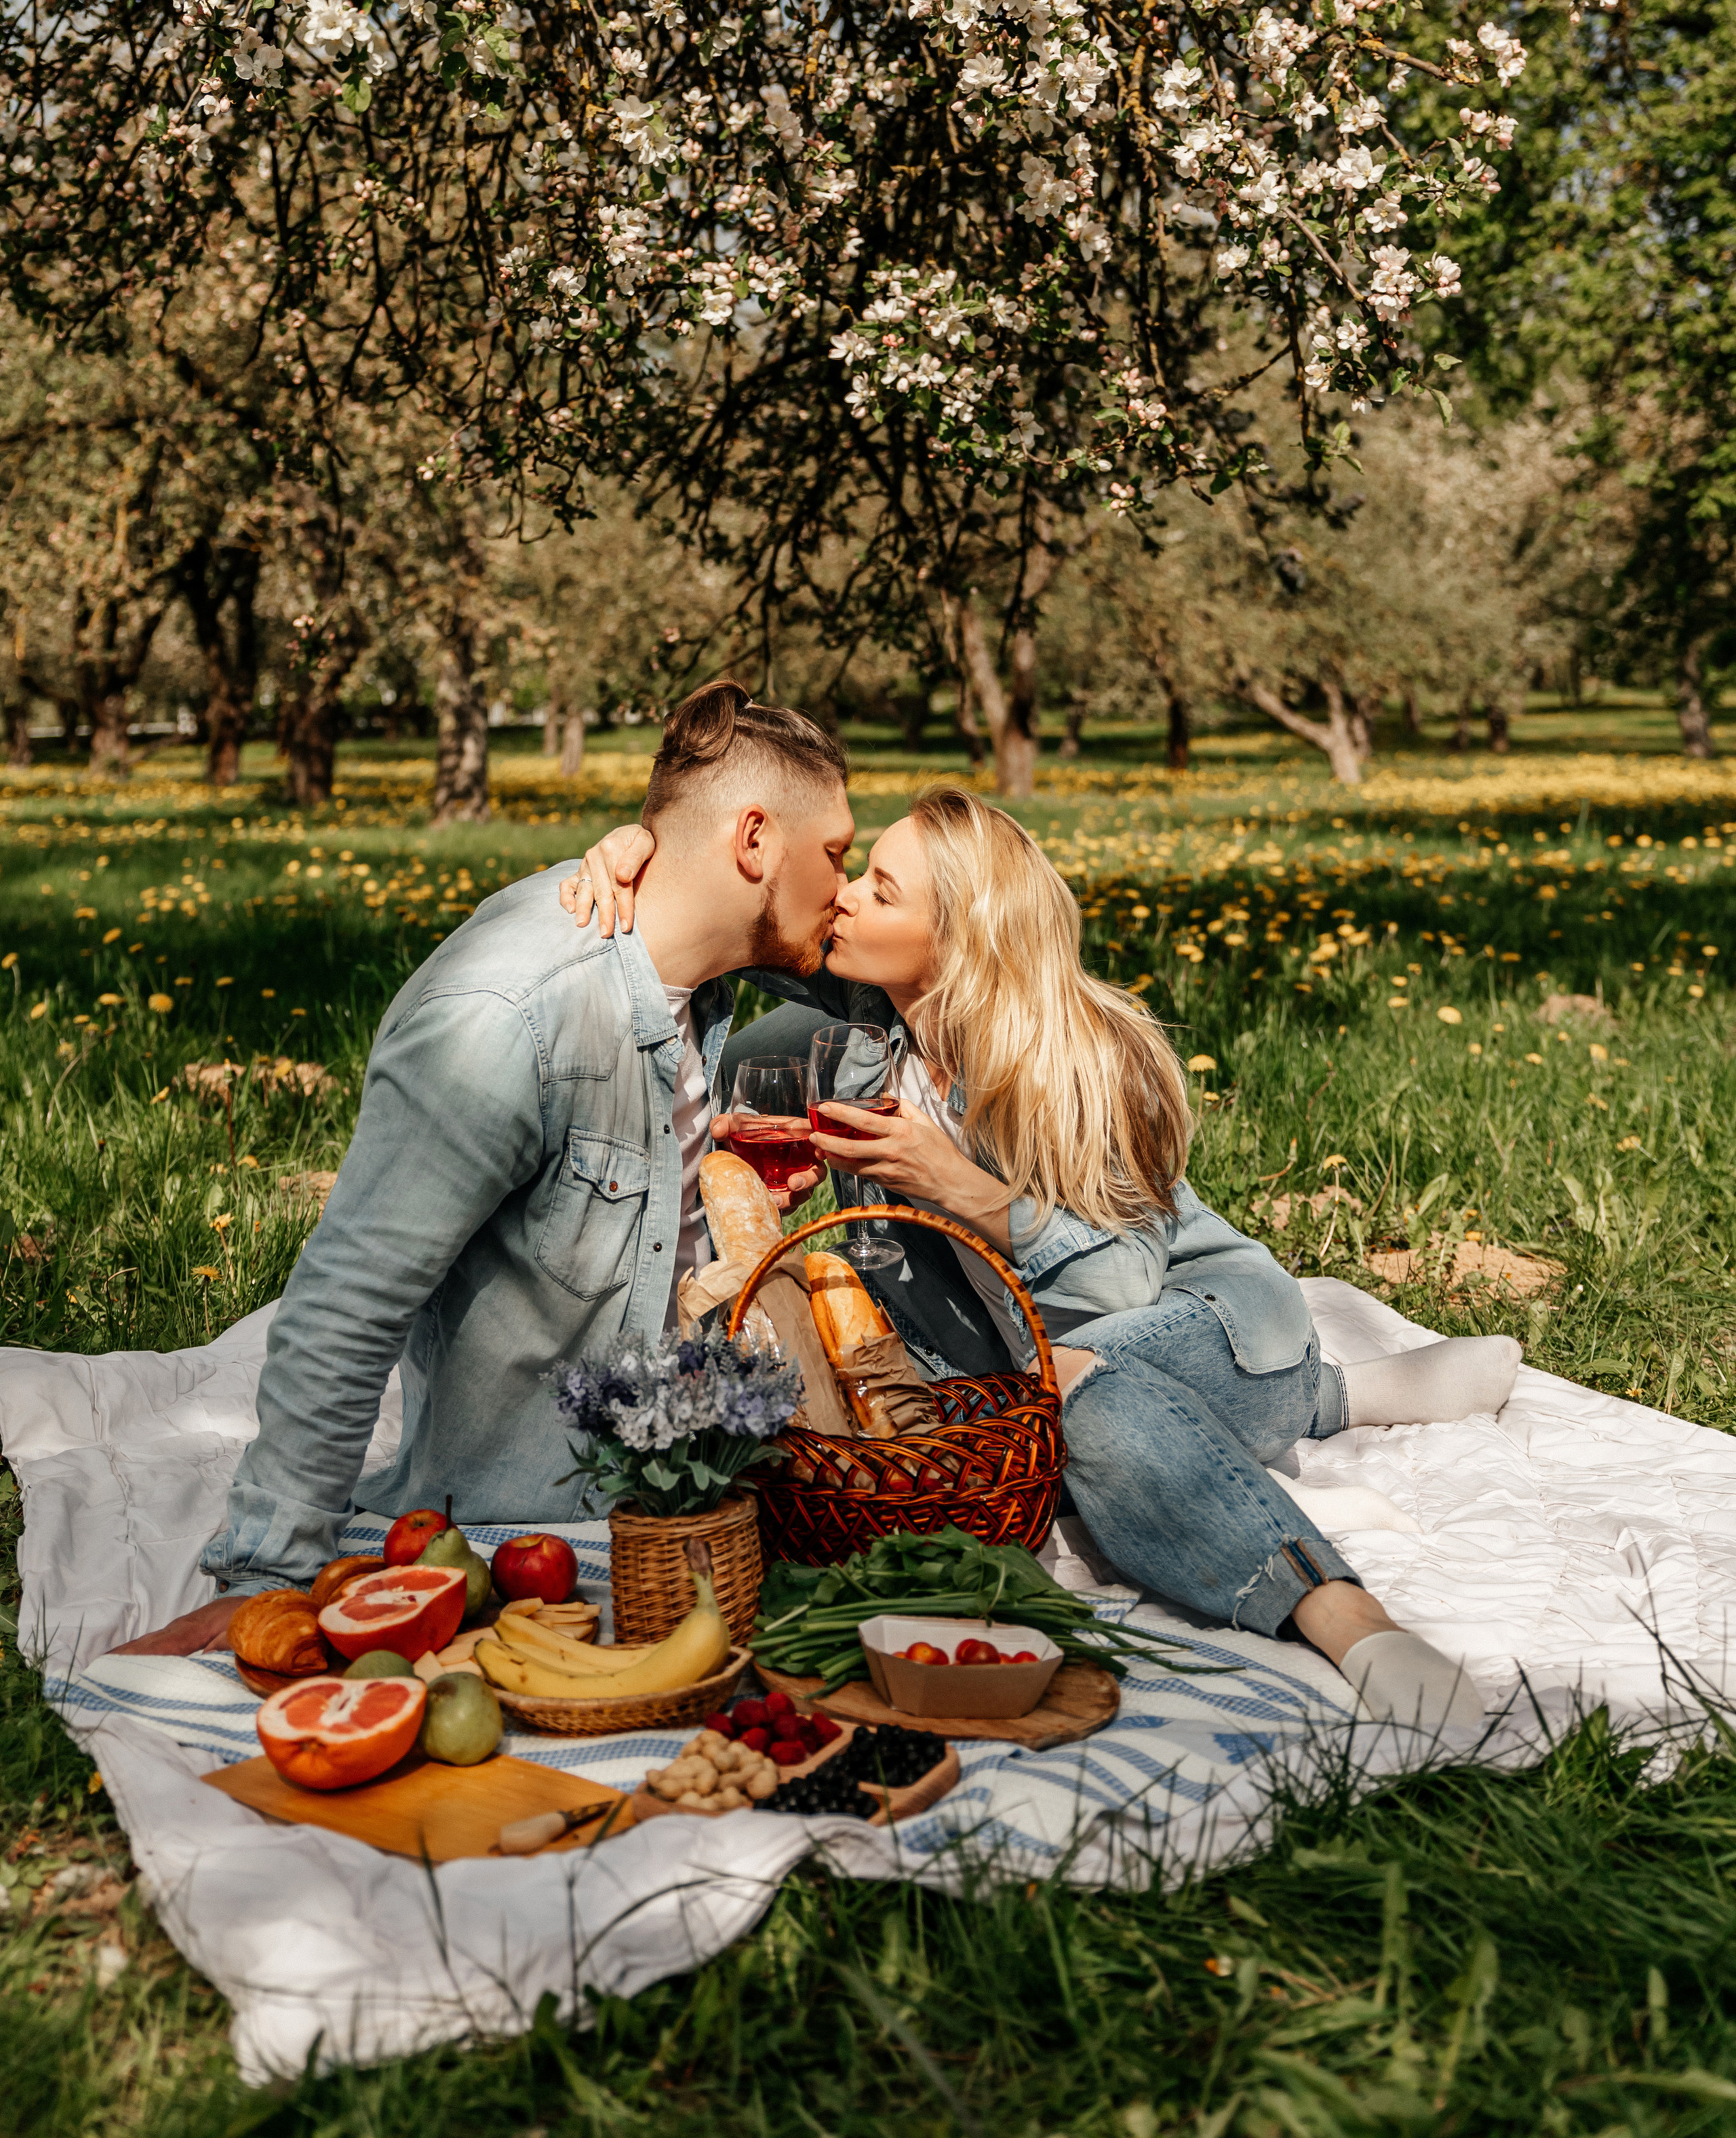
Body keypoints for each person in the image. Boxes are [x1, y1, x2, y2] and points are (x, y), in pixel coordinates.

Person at [568, 788, 1520, 1723]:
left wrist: (959, 1188)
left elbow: (1123, 1280)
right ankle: (1332, 1406)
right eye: (861, 875)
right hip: (1026, 1357)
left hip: (1200, 1317)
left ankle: (1343, 1606)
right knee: (1011, 1409)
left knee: (1061, 1388)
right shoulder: (865, 1030)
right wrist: (643, 852)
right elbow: (744, 929)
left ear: (963, 940)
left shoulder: (1078, 1053)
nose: (848, 894)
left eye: (883, 891)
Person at [115, 680, 855, 1657]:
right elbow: (348, 1299)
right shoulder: (508, 1018)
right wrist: (269, 1579)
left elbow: (890, 971)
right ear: (754, 842)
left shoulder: (701, 963)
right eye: (839, 854)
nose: (847, 885)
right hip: (542, 1524)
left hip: (695, 1476)